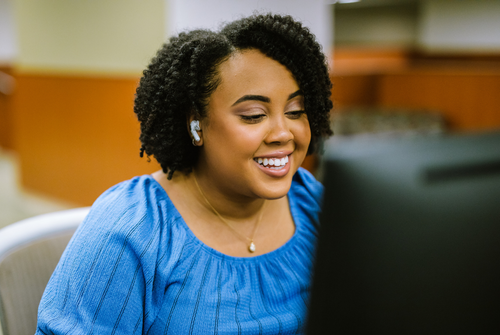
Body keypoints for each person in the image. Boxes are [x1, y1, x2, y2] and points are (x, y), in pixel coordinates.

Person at [36, 13, 333, 334]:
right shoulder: (131, 227)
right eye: (253, 115)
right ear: (197, 124)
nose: (283, 133)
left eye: (295, 112)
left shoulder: (312, 202)